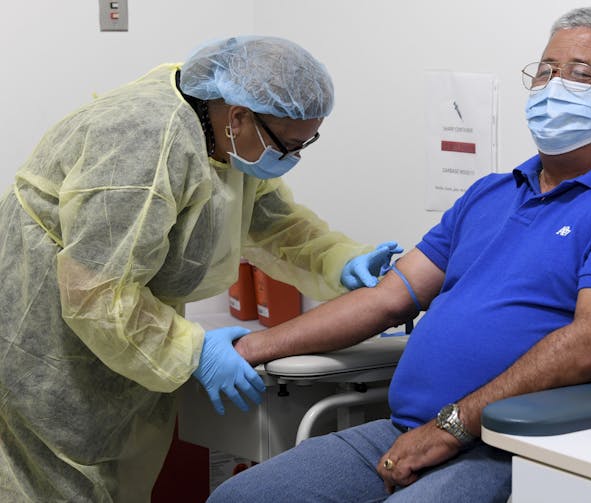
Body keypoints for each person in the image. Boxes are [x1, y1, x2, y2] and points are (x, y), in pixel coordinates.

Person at [208, 7, 591, 503]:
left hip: (517, 448)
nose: (553, 86)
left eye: (579, 74)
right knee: (237, 498)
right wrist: (249, 349)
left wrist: (451, 428)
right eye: (545, 70)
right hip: (404, 431)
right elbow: (385, 301)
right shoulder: (490, 194)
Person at [0, 36, 401, 502]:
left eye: (305, 143)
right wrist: (192, 350)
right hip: (44, 339)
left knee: (116, 483)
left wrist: (341, 259)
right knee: (52, 484)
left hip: (119, 335)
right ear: (239, 116)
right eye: (289, 145)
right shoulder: (142, 140)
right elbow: (94, 289)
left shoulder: (225, 137)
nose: (292, 158)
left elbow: (273, 224)